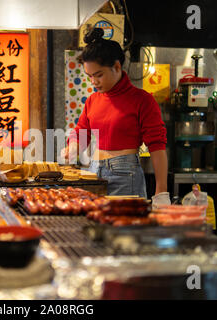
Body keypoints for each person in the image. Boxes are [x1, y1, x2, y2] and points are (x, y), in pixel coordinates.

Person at [61, 28, 170, 207]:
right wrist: (73, 148)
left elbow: (157, 146)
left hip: (125, 176)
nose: (93, 82)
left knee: (125, 231)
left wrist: (161, 191)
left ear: (117, 67)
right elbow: (81, 131)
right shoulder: (92, 100)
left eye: (99, 75)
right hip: (94, 173)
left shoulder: (142, 100)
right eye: (89, 77)